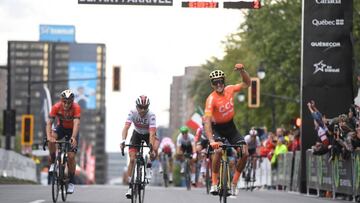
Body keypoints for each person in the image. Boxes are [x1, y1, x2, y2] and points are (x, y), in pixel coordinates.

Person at [203, 64, 251, 196]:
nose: (218, 84)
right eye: (215, 82)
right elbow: (207, 121)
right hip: (217, 129)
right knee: (217, 151)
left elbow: (247, 83)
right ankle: (214, 183)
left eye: (220, 81)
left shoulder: (230, 89)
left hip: (231, 127)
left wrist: (242, 71)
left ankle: (234, 183)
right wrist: (211, 140)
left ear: (224, 81)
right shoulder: (211, 99)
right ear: (212, 84)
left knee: (245, 153)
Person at [120, 95, 159, 199]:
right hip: (136, 134)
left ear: (148, 107)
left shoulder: (151, 115)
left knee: (154, 150)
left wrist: (150, 147)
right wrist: (123, 140)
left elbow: (152, 133)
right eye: (140, 107)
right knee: (132, 159)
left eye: (145, 107)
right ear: (136, 106)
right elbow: (126, 128)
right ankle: (130, 186)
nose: (142, 110)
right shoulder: (132, 112)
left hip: (148, 134)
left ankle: (149, 167)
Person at [47, 89, 81, 194]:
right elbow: (49, 123)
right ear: (61, 101)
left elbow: (76, 124)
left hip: (72, 131)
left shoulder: (76, 108)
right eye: (64, 102)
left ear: (72, 101)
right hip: (61, 128)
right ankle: (53, 162)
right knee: (51, 139)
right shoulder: (56, 107)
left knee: (71, 156)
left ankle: (71, 182)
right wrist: (49, 136)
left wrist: (73, 137)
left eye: (69, 102)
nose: (66, 104)